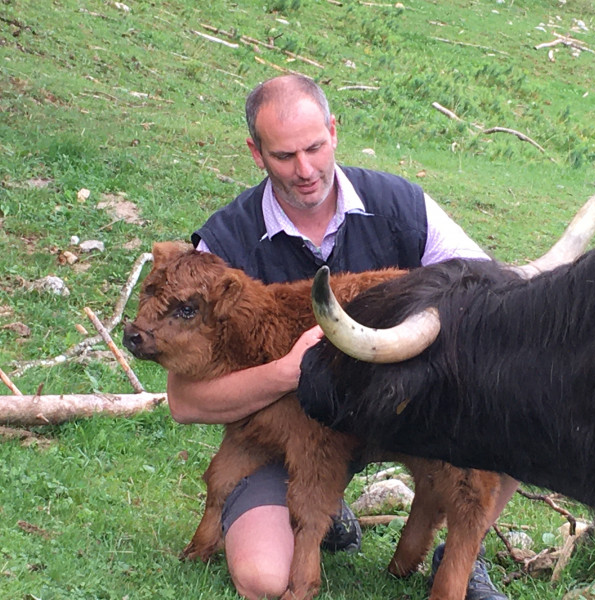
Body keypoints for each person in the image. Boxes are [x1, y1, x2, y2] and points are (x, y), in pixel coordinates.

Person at [167, 74, 519, 600]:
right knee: (263, 580)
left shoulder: (401, 205)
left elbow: (491, 297)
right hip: (292, 432)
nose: (305, 170)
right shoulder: (225, 245)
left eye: (314, 147)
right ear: (256, 153)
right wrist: (286, 372)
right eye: (284, 156)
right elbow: (184, 401)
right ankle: (320, 513)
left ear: (334, 131)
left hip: (401, 412)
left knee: (516, 410)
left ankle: (462, 551)